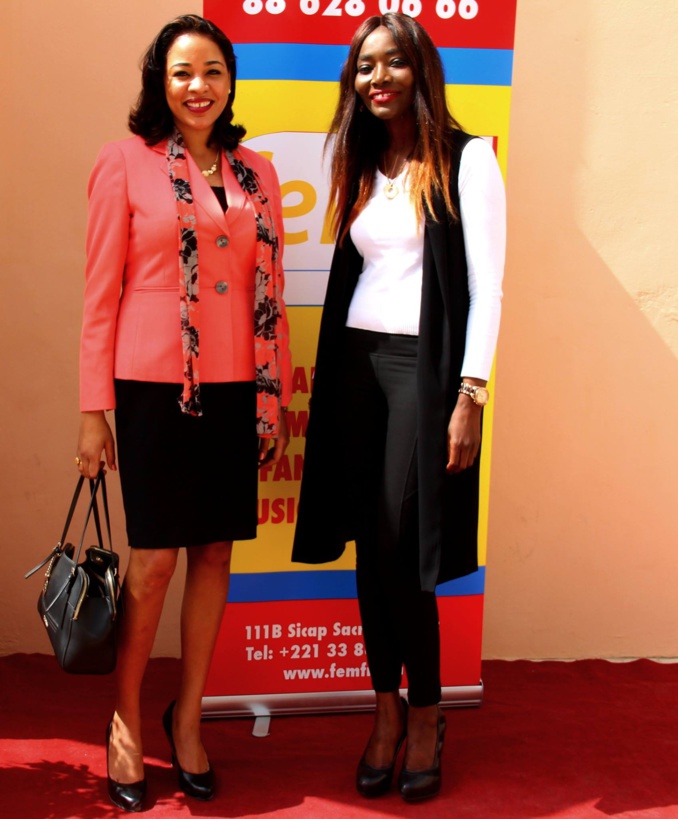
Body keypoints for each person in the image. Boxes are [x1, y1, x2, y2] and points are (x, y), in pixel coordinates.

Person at [75, 14, 292, 812]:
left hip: (237, 386)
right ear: (158, 84)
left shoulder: (258, 170)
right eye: (180, 73)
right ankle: (126, 719)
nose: (196, 86)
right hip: (151, 385)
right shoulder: (122, 163)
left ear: (231, 80)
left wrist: (271, 396)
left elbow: (270, 294)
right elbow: (100, 297)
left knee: (214, 555)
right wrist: (93, 411)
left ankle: (189, 716)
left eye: (211, 71)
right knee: (155, 560)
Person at [292, 12, 505, 803]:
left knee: (401, 543)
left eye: (393, 64)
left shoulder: (468, 158)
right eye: (364, 67)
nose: (377, 78)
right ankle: (383, 709)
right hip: (353, 367)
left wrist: (469, 393)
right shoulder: (364, 160)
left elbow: (487, 290)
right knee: (365, 547)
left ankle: (425, 713)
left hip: (423, 370)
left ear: (422, 70)